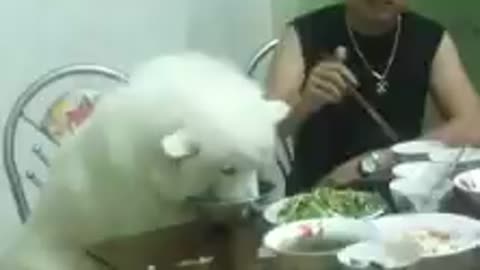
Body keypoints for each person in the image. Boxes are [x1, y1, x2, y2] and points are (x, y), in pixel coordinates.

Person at [266, 0, 480, 194]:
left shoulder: (429, 37)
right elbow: (269, 130)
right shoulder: (305, 32)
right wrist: (306, 102)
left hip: (401, 194)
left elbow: (473, 126)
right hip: (317, 195)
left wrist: (377, 161)